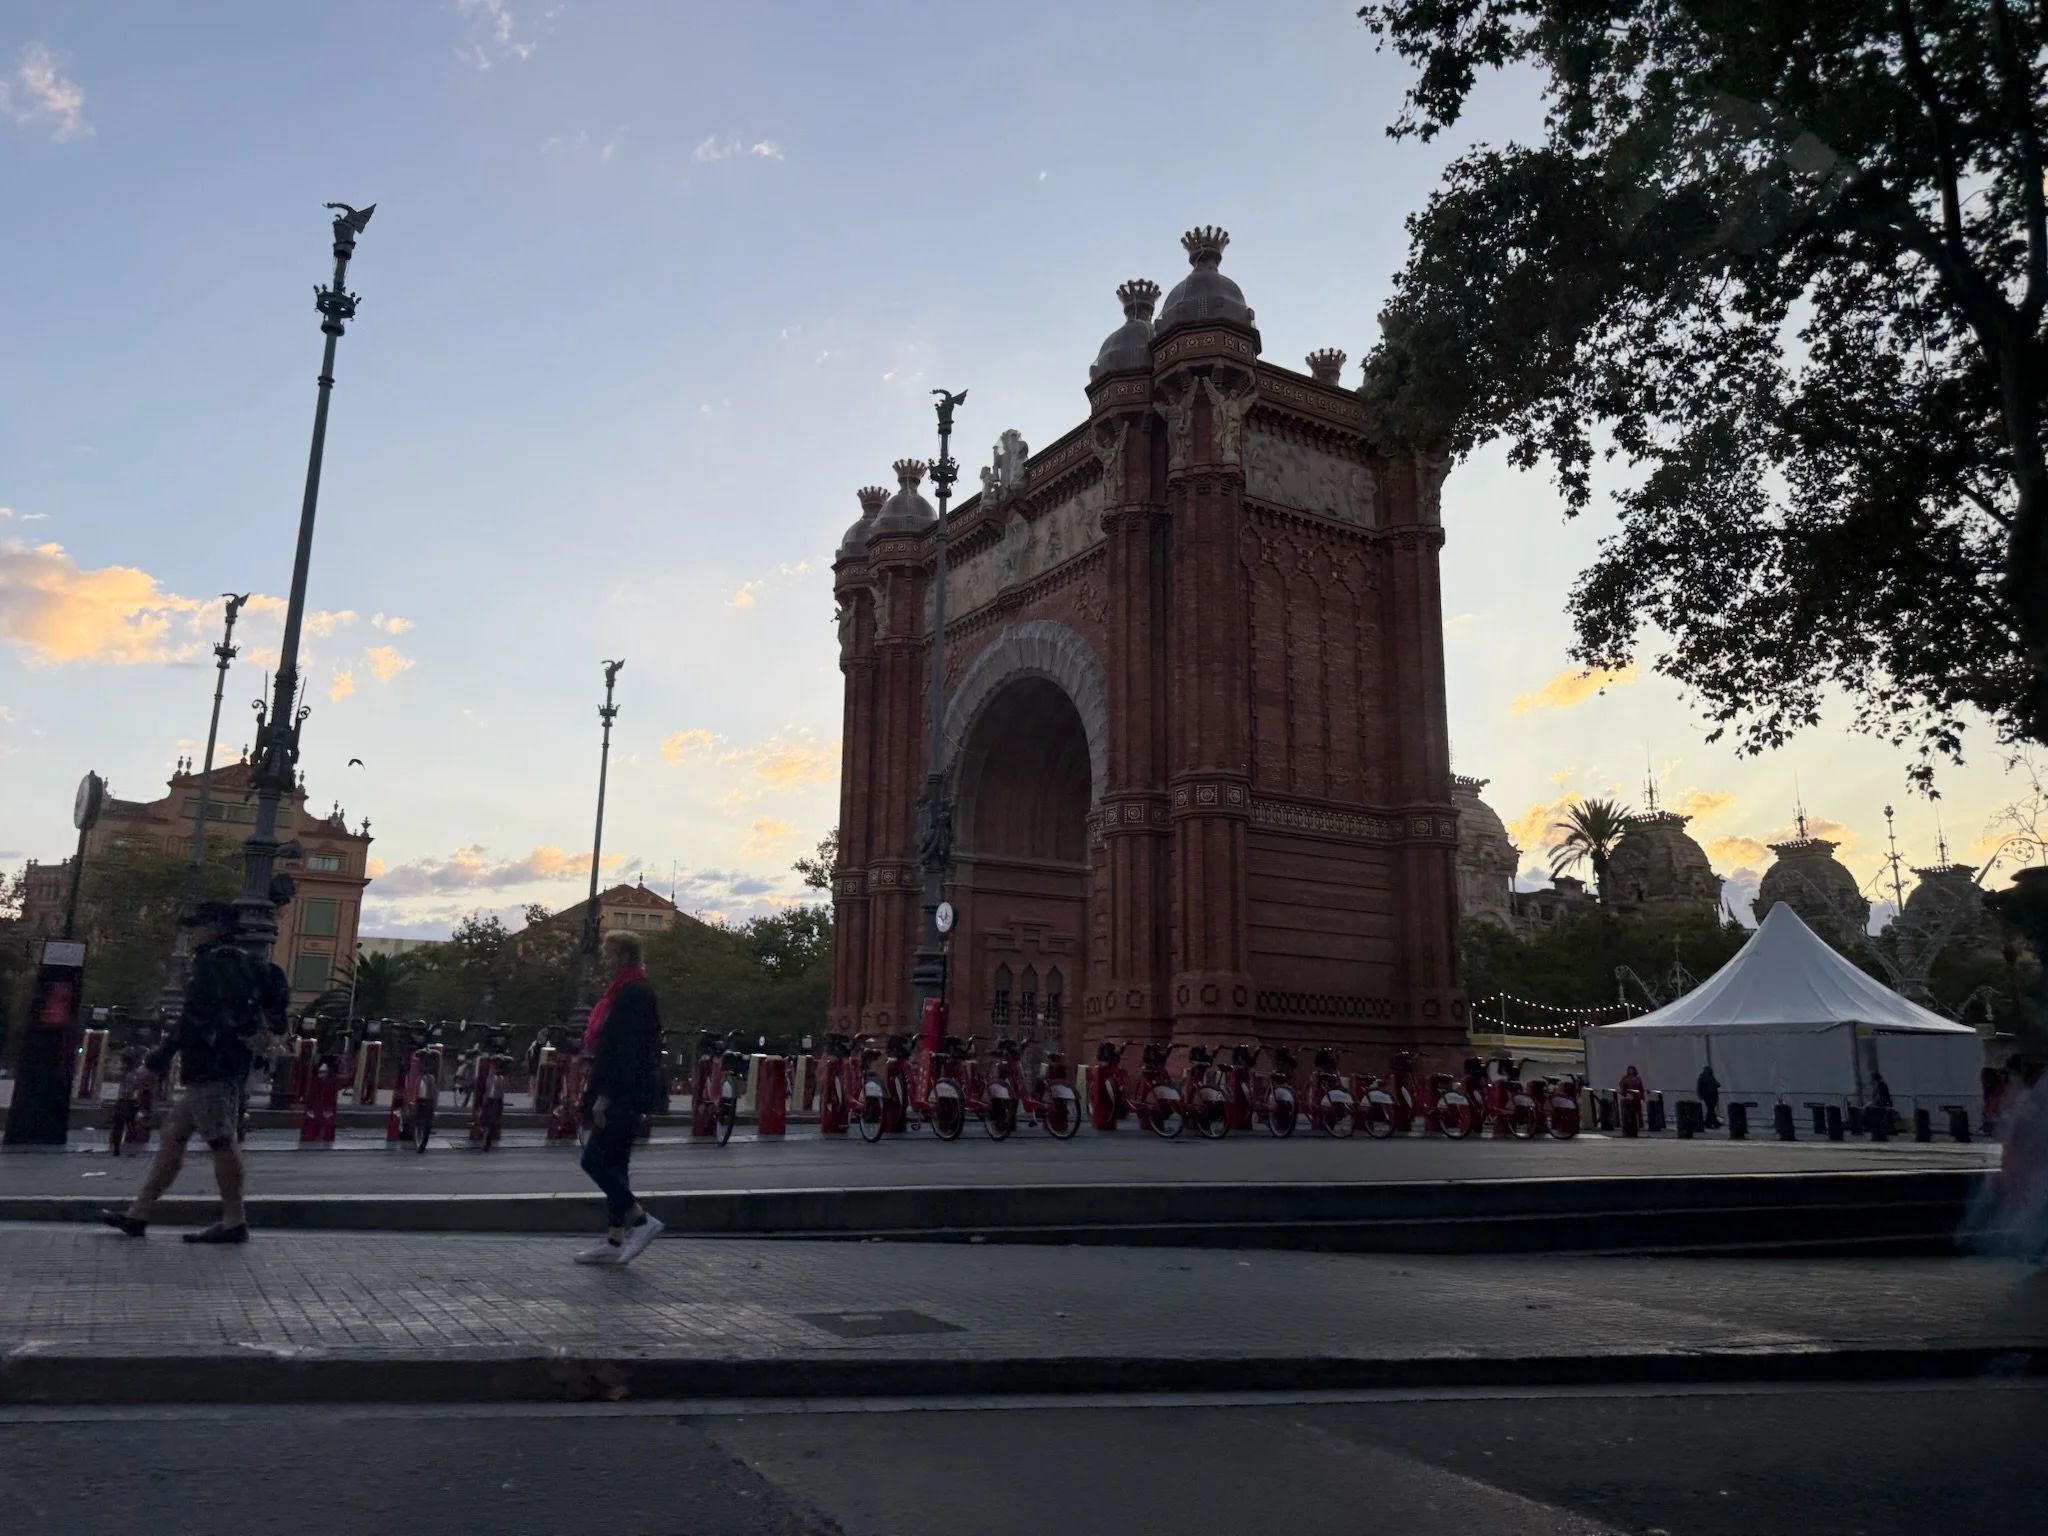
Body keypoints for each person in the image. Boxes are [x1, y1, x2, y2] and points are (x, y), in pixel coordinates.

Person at [103, 903, 283, 1243]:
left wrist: (154, 1064)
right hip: (224, 1063)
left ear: (215, 927)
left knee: (221, 1141)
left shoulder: (215, 964)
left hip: (212, 1066)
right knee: (174, 1133)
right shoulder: (241, 962)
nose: (194, 932)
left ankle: (234, 1221)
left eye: (198, 925)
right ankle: (138, 1213)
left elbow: (191, 1022)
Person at [575, 929, 666, 1266]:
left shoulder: (634, 995)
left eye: (609, 952)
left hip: (622, 1093)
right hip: (622, 1090)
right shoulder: (624, 991)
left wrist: (604, 1097)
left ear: (624, 956)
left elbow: (627, 1051)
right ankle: (614, 1241)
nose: (604, 959)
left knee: (593, 1161)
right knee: (615, 1163)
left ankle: (642, 1220)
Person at [1696, 1062, 1721, 1129]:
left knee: (1711, 1110)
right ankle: (1710, 1122)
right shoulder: (1703, 1077)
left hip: (1713, 1096)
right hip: (1708, 1096)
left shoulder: (1711, 1077)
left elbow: (1717, 1084)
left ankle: (1711, 1122)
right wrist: (1700, 1095)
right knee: (1711, 1109)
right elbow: (1699, 1087)